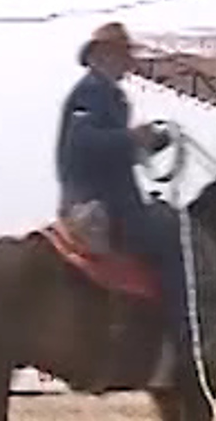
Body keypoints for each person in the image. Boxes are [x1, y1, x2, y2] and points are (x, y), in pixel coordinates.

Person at [55, 21, 196, 386]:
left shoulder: (108, 95)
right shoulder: (91, 93)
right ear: (103, 56)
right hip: (95, 202)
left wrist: (148, 142)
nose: (127, 64)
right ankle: (182, 338)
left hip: (104, 195)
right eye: (123, 55)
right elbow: (82, 144)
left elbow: (109, 149)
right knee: (170, 238)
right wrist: (132, 138)